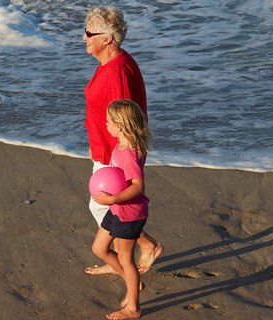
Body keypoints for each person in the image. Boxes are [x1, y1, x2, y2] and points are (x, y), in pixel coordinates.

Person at [83, 6, 162, 275]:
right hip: (105, 148)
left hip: (114, 154)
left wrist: (118, 159)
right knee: (108, 205)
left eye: (89, 33)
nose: (85, 38)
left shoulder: (117, 71)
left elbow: (127, 119)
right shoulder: (109, 64)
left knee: (103, 204)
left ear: (107, 39)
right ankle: (125, 256)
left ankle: (126, 260)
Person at [91, 100, 151, 320]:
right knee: (99, 249)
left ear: (121, 125)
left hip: (130, 213)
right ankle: (132, 282)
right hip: (117, 208)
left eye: (109, 122)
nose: (106, 125)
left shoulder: (129, 153)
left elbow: (137, 185)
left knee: (127, 260)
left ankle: (133, 308)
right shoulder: (122, 145)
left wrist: (114, 197)